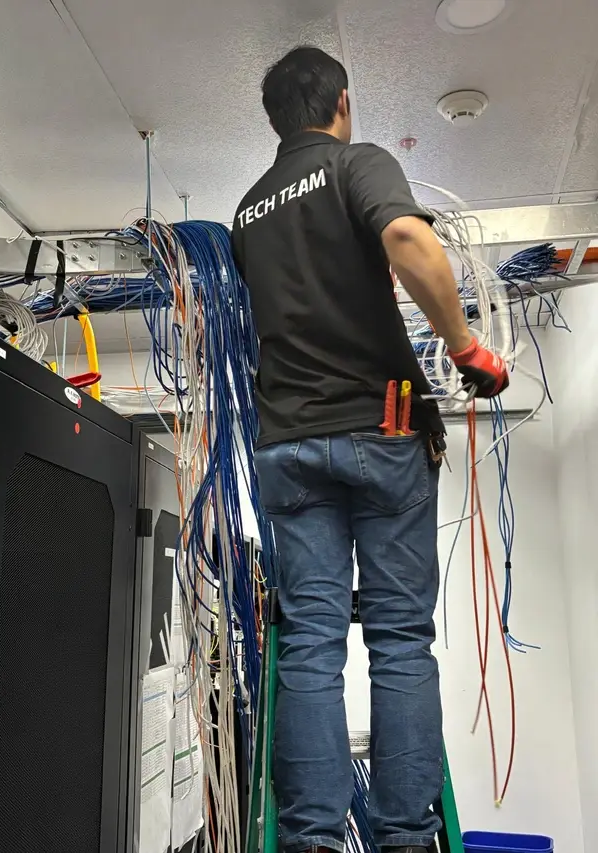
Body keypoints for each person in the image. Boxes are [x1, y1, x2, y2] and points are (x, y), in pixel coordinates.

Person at [231, 46, 508, 853]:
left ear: (276, 120)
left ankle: (311, 837)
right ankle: (405, 836)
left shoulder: (247, 210)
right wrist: (464, 347)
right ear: (342, 105)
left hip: (287, 445)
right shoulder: (358, 163)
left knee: (312, 641)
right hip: (380, 434)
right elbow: (410, 243)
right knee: (397, 637)